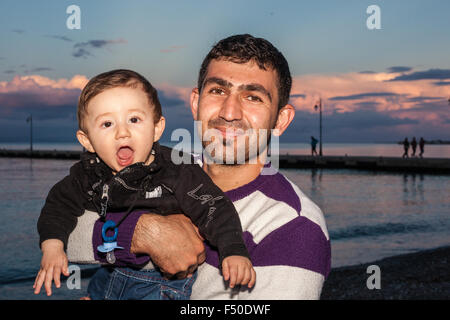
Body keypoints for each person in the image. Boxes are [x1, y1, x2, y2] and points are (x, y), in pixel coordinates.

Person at [66, 34, 331, 299]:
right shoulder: (162, 170)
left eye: (253, 97)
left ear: (281, 119)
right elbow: (64, 232)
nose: (229, 112)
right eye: (218, 91)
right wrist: (139, 233)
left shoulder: (295, 225)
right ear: (196, 102)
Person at [33, 69, 255, 299]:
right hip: (106, 278)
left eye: (134, 119)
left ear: (157, 128)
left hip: (159, 285)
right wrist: (52, 247)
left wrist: (234, 250)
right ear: (87, 140)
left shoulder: (177, 169)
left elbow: (214, 207)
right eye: (107, 124)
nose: (122, 132)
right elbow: (57, 207)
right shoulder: (88, 174)